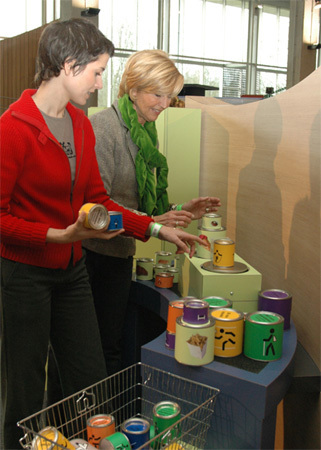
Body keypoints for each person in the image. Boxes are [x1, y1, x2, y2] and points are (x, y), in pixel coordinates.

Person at [0, 20, 206, 450]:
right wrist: (58, 235)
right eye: (96, 72)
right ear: (67, 65)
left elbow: (100, 200)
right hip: (24, 276)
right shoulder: (12, 128)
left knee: (92, 379)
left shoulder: (78, 123)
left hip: (72, 272)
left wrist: (155, 228)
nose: (99, 83)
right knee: (23, 388)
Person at [83, 49, 221, 375]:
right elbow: (94, 208)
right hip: (90, 257)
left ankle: (108, 421)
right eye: (156, 94)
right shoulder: (104, 128)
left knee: (111, 345)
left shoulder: (143, 132)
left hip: (117, 255)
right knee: (91, 352)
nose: (164, 103)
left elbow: (143, 208)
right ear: (132, 89)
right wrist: (151, 225)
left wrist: (178, 210)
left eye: (169, 96)